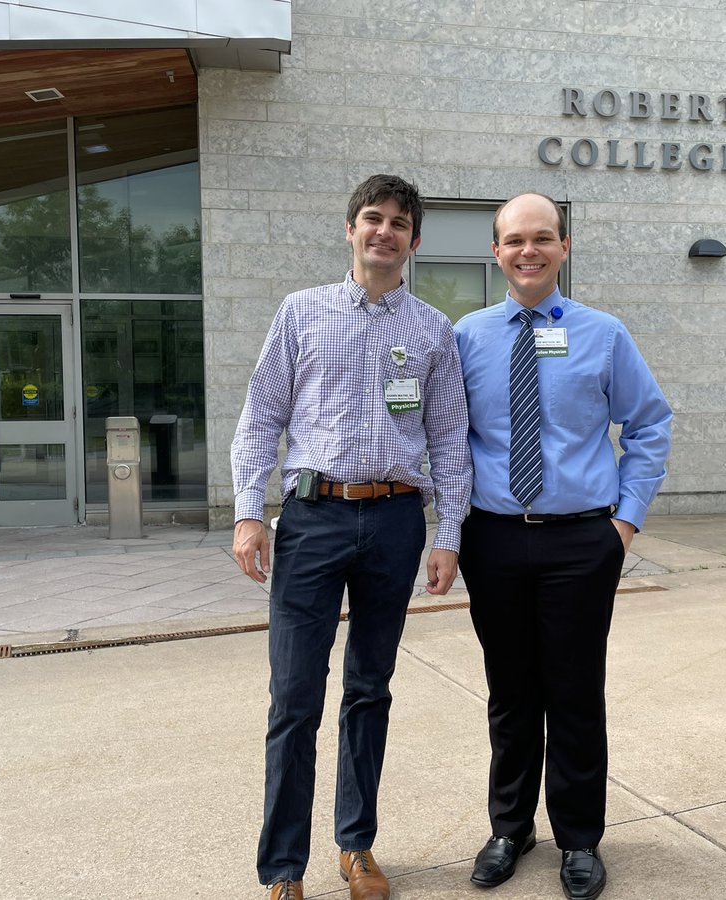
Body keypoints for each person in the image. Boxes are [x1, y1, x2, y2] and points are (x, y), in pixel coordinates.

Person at [230, 174, 472, 900]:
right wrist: (249, 511)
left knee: (370, 689)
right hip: (312, 519)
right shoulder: (300, 314)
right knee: (295, 697)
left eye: (400, 222)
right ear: (350, 229)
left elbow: (450, 438)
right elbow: (261, 416)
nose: (385, 231)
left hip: (396, 521)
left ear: (415, 241)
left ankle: (356, 845)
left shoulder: (431, 330)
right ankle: (282, 868)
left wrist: (447, 533)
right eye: (373, 218)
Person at [453, 192, 672, 900]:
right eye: (514, 239)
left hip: (582, 540)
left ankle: (580, 838)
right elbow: (446, 438)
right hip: (493, 539)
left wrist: (626, 522)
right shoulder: (467, 336)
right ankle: (509, 829)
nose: (528, 250)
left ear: (564, 248)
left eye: (542, 238)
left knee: (576, 692)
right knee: (511, 693)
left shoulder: (604, 334)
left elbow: (649, 424)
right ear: (496, 252)